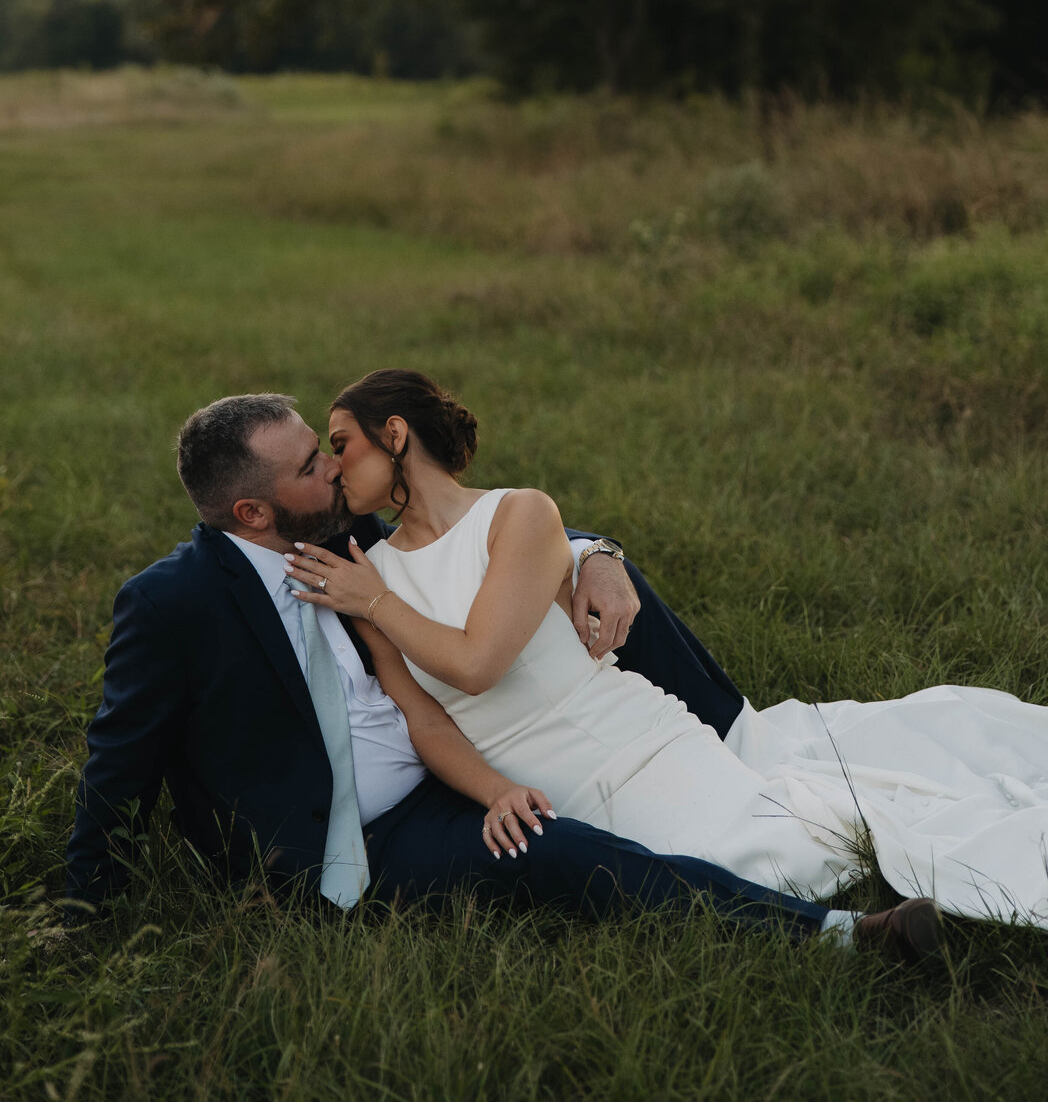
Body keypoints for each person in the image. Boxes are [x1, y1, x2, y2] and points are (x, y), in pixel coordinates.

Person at [286, 368, 1048, 932]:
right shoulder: (371, 576)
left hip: (637, 737)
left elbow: (479, 659)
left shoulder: (520, 514)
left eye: (343, 444)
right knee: (756, 866)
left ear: (396, 434)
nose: (335, 468)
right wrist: (494, 792)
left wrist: (381, 599)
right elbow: (428, 715)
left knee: (799, 852)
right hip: (556, 784)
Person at [66, 392, 939, 961]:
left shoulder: (340, 537)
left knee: (554, 804)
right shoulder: (169, 603)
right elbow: (118, 759)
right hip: (349, 841)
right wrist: (80, 912)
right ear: (251, 512)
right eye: (310, 466)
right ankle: (841, 939)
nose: (334, 466)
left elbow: (477, 542)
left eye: (322, 449)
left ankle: (780, 825)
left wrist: (597, 553)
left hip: (447, 772)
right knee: (554, 850)